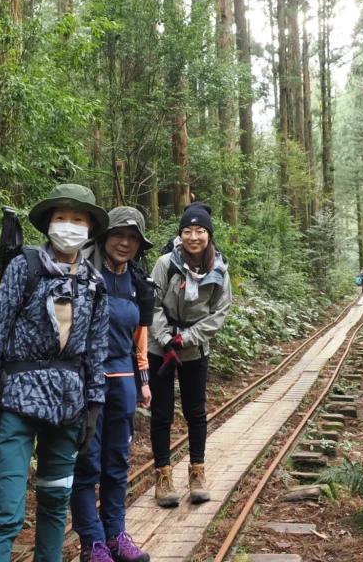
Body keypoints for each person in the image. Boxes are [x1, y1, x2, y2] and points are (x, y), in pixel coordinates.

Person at [0, 184, 110, 562]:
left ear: (90, 227)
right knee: (5, 513)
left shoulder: (94, 283)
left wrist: (94, 404)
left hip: (68, 407)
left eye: (78, 219)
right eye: (61, 217)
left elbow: (96, 350)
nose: (69, 225)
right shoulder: (24, 267)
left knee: (55, 503)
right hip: (16, 400)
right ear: (47, 223)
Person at [71, 207, 155, 562]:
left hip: (123, 381)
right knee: (87, 462)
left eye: (133, 237)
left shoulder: (138, 281)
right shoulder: (83, 273)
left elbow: (140, 336)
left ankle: (116, 535)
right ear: (104, 236)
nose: (125, 242)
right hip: (84, 380)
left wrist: (144, 381)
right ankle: (92, 543)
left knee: (117, 461)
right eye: (119, 234)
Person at [148, 201, 232, 508]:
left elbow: (220, 312)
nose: (193, 236)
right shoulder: (165, 264)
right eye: (187, 230)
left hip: (194, 347)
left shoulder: (219, 269)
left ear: (208, 235)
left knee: (195, 412)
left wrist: (186, 338)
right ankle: (163, 475)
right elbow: (152, 304)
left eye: (199, 230)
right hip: (161, 346)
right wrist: (166, 337)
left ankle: (197, 471)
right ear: (180, 233)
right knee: (162, 413)